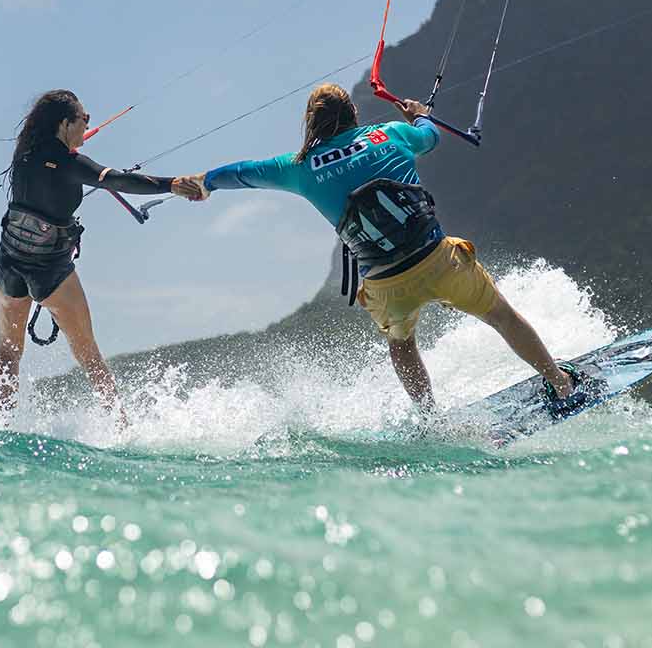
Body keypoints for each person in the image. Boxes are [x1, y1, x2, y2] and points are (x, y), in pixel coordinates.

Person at [171, 84, 589, 416]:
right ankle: (560, 383)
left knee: (402, 345)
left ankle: (430, 420)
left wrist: (203, 181)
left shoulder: (298, 167)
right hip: (439, 260)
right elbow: (430, 137)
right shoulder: (391, 134)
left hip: (387, 286)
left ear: (311, 125)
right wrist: (420, 116)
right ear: (354, 114)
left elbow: (242, 173)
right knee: (500, 315)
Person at [0, 89, 176, 423]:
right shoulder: (69, 163)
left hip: (10, 262)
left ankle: (0, 426)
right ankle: (120, 424)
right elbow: (117, 180)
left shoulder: (25, 154)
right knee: (88, 354)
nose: (88, 123)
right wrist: (173, 184)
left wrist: (68, 148)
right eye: (84, 118)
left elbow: (52, 165)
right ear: (65, 123)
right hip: (49, 270)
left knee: (8, 353)